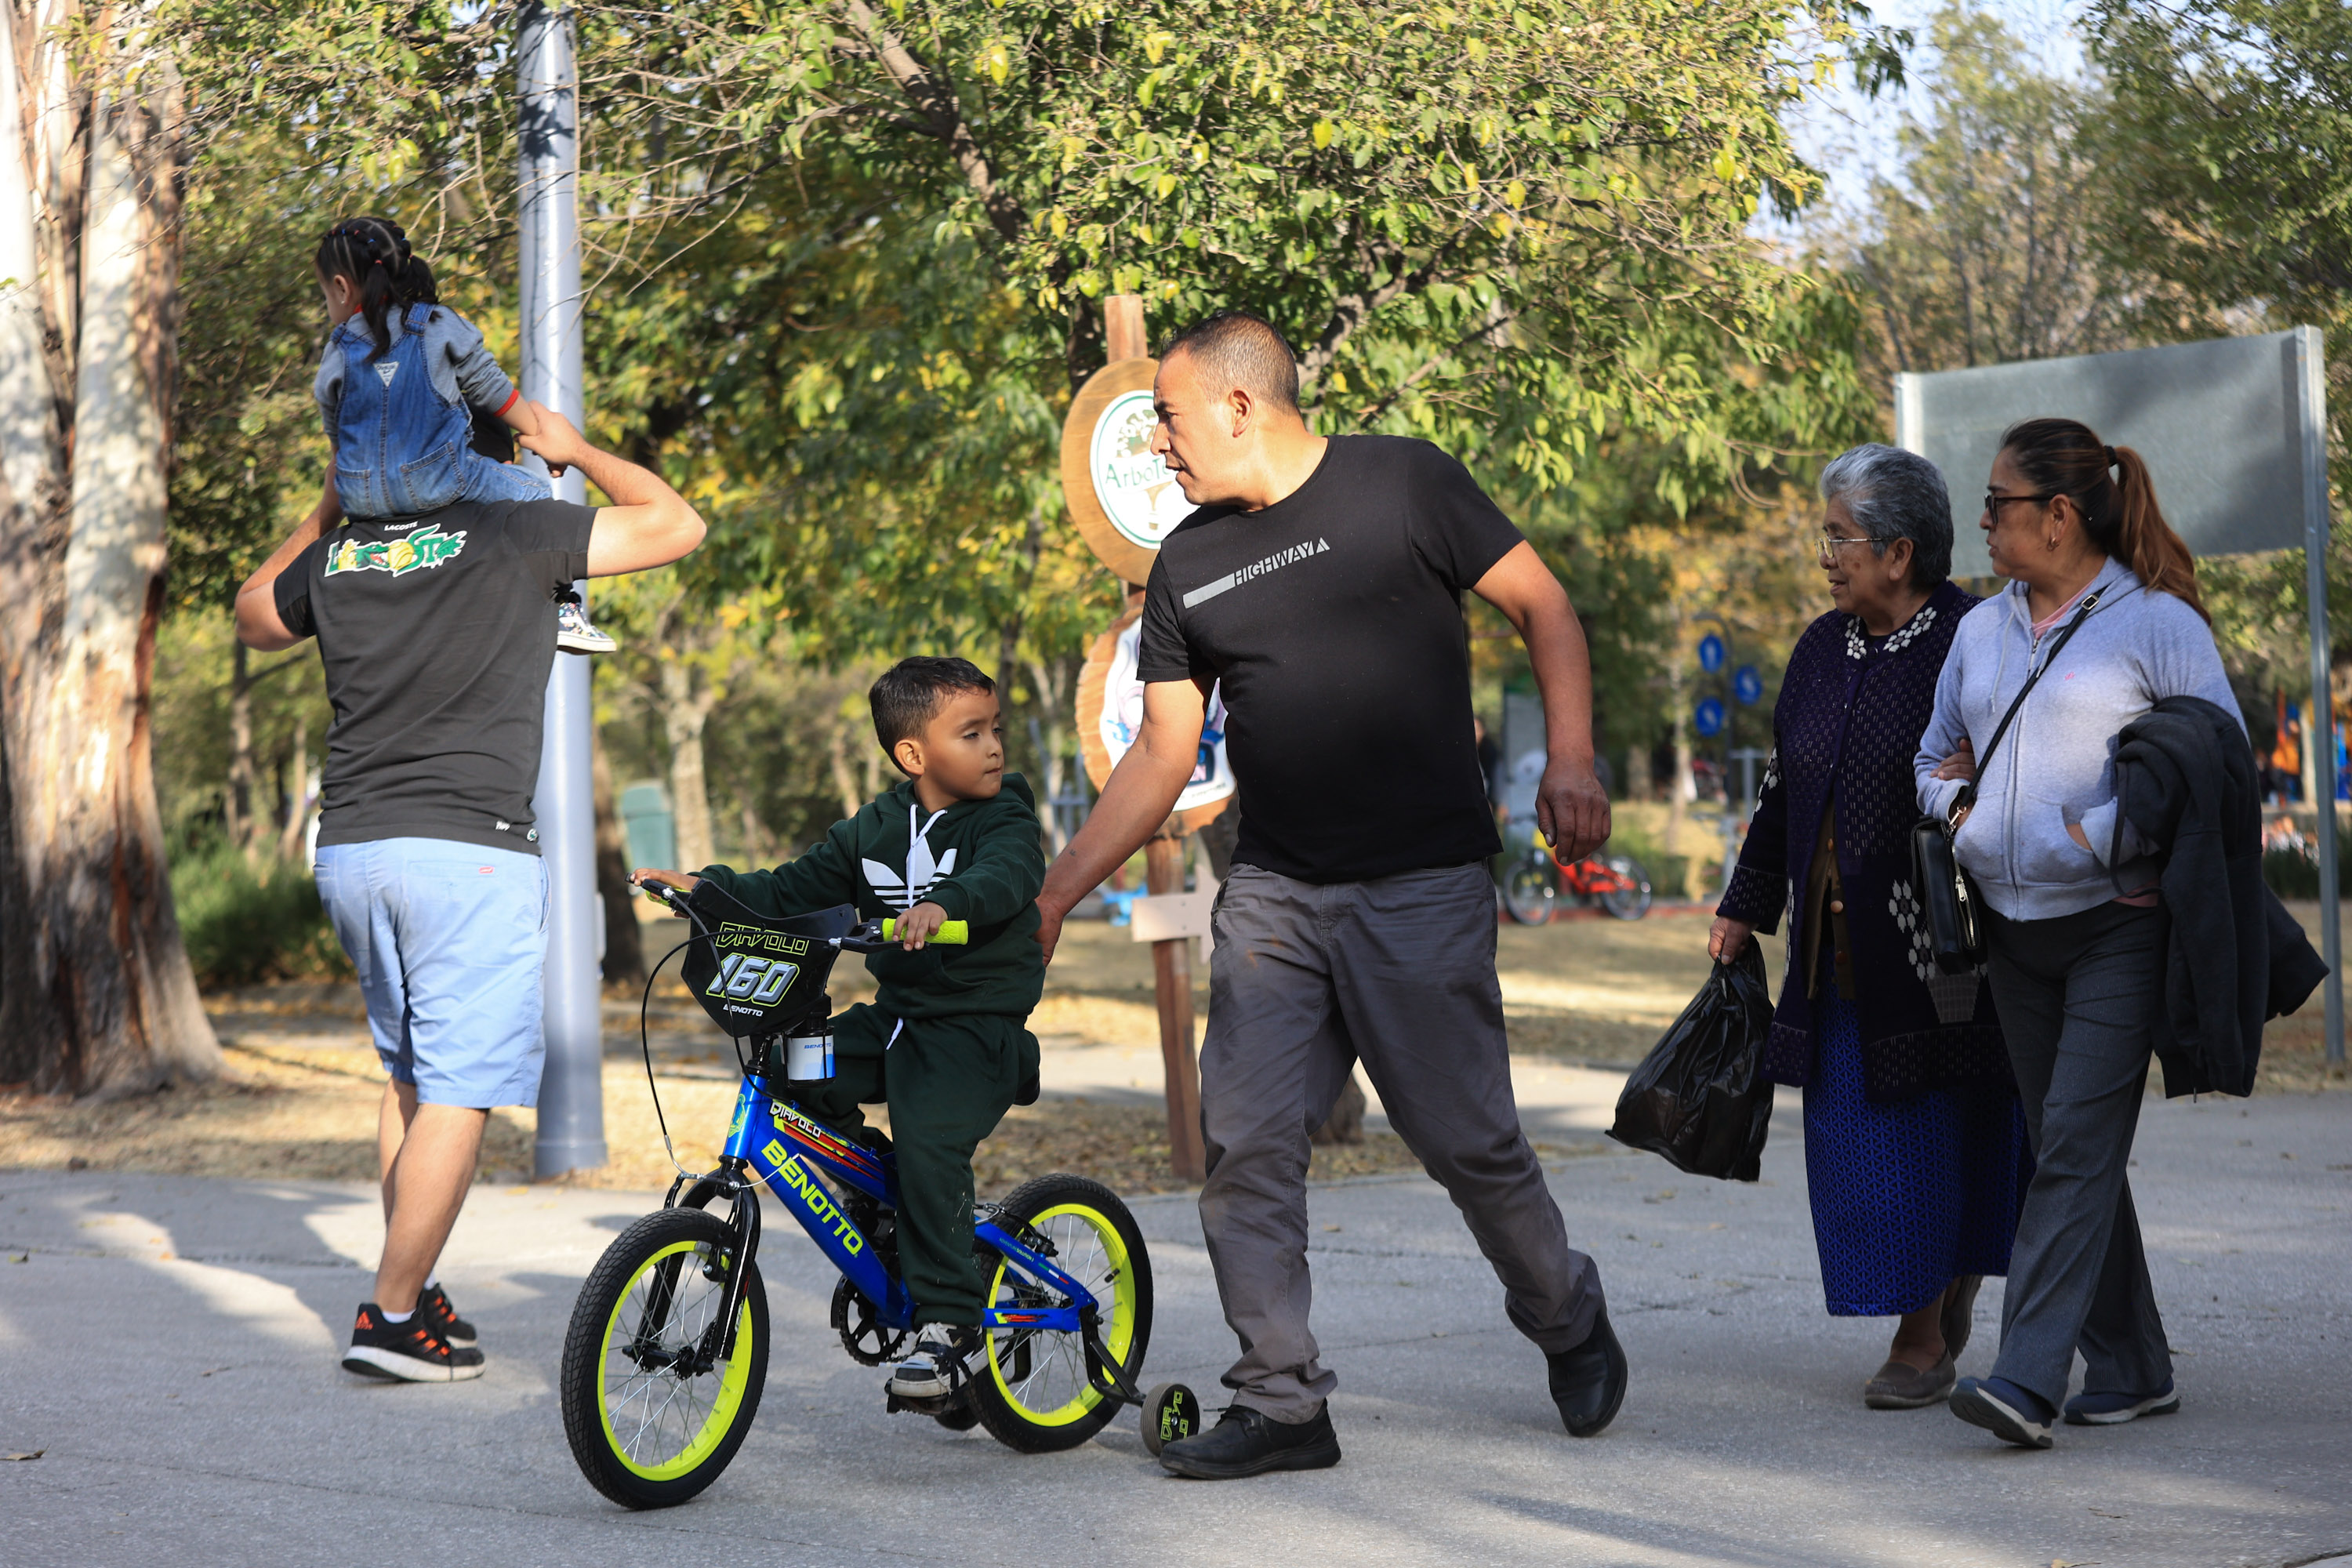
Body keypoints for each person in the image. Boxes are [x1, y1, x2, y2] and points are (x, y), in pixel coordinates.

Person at [1033, 310, 1623, 1480]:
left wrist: (1570, 757)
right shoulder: (1188, 563)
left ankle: (1565, 1313)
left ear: (1242, 406)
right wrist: (1054, 895)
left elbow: (1544, 606)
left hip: (1420, 886)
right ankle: (1284, 1400)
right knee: (1245, 1140)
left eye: (1170, 419)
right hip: (1276, 897)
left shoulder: (1404, 482)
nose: (1160, 446)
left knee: (1466, 1143)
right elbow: (1160, 755)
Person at [234, 406, 705, 1380]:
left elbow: (251, 615)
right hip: (471, 852)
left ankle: (415, 1278)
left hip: (356, 850)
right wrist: (575, 452)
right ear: (489, 460)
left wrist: (330, 502)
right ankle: (392, 1314)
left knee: (409, 1075)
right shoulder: (517, 529)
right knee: (458, 1088)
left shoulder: (346, 554)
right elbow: (675, 523)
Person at [1915, 416, 2237, 1449]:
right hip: (2011, 933)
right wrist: (1952, 812)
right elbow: (1933, 755)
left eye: (1999, 501)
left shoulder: (2155, 623)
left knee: (2071, 1153)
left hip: (2117, 927)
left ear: (2058, 516)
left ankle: (2024, 1376)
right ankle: (2136, 1365)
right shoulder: (1980, 628)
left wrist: (2103, 837)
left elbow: (2221, 768)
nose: (1982, 518)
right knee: (2072, 1147)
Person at [1710, 444, 2031, 1410]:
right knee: (1862, 1138)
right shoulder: (1820, 646)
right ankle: (1927, 1297)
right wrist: (1743, 904)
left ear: (1899, 551)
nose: (1825, 556)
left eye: (1839, 538)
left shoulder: (1976, 636)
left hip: (1949, 946)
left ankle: (1924, 1333)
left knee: (1943, 1126)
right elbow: (1779, 789)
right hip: (1835, 948)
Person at [634, 657, 1046, 1403]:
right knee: (795, 1066)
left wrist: (943, 906)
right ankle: (884, 1197)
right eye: (973, 733)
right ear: (912, 755)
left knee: (929, 1137)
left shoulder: (1006, 814)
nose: (994, 748)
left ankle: (951, 1324)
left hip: (973, 1030)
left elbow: (1005, 878)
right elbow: (793, 887)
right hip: (898, 1022)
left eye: (995, 730)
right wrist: (709, 888)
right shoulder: (875, 829)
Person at [310, 215, 614, 653]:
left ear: (341, 288)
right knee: (533, 492)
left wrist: (357, 477)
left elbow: (335, 429)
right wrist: (538, 434)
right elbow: (492, 390)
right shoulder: (434, 324)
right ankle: (563, 607)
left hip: (361, 499)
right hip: (440, 480)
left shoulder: (337, 348)